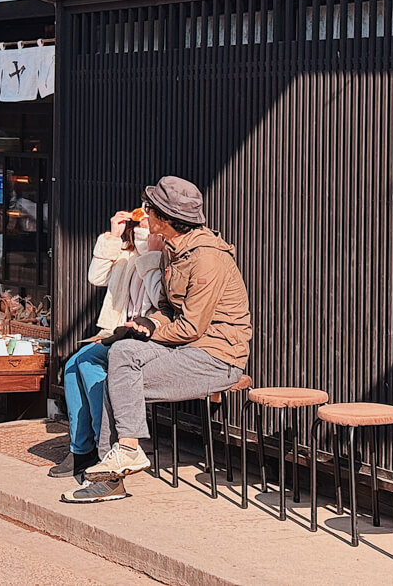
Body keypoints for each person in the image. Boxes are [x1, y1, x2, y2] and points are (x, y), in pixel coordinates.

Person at [63, 176, 252, 503]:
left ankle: (113, 476)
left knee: (118, 382)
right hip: (186, 348)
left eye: (149, 209)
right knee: (120, 355)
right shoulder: (173, 250)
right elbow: (167, 308)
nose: (144, 214)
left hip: (217, 357)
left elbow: (191, 327)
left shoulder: (207, 257)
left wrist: (148, 330)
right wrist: (144, 323)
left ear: (165, 218)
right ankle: (125, 456)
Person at [49, 210, 163, 484]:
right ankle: (82, 449)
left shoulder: (159, 253)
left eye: (148, 213)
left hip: (144, 337)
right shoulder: (126, 252)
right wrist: (112, 236)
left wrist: (148, 243)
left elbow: (160, 299)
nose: (141, 218)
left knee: (87, 364)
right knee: (73, 365)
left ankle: (107, 448)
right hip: (116, 332)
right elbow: (95, 277)